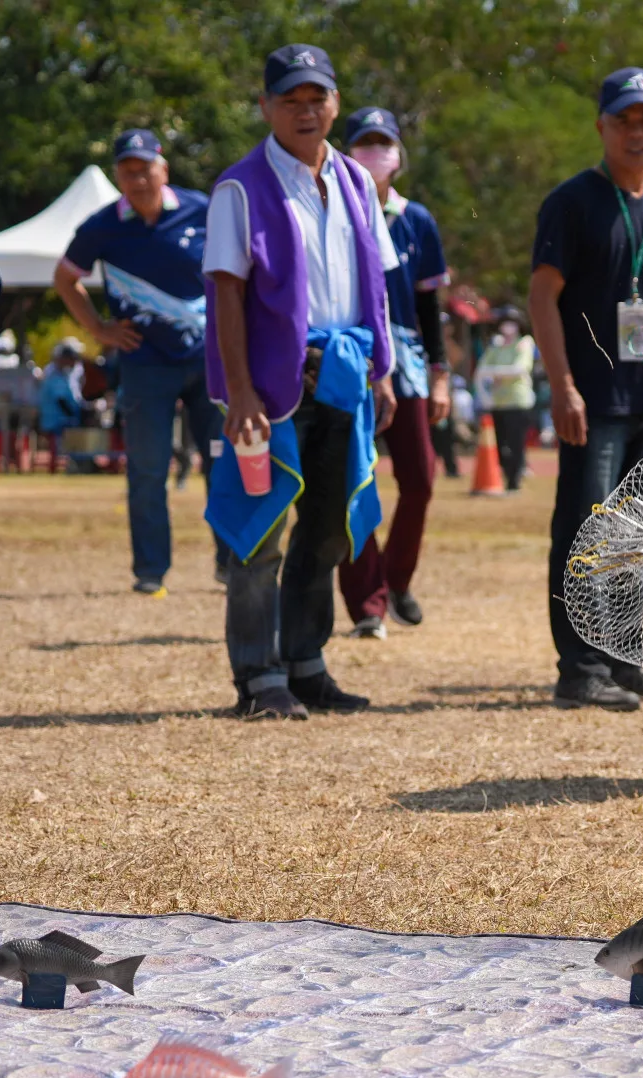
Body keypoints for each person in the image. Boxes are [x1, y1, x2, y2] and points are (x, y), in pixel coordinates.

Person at [203, 43, 399, 720]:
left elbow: (376, 285)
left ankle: (307, 663)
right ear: (266, 107)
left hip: (345, 375)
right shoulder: (240, 186)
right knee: (260, 531)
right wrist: (240, 391)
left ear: (335, 104)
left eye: (316, 98)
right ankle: (259, 676)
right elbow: (225, 292)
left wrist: (384, 372)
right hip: (272, 387)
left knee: (327, 528)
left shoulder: (355, 183)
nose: (305, 110)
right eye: (290, 99)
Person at [529, 67, 643, 711]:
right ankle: (579, 669)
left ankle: (622, 662)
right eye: (622, 119)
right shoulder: (571, 202)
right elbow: (542, 297)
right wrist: (562, 386)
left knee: (632, 538)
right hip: (592, 405)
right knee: (583, 533)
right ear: (601, 127)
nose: (635, 131)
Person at [55, 128, 228, 597]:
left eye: (145, 168)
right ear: (118, 176)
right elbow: (65, 278)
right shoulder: (102, 225)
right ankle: (150, 570)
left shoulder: (204, 209)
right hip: (144, 363)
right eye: (127, 171)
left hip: (211, 361)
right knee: (148, 470)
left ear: (163, 169)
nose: (137, 178)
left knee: (223, 464)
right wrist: (99, 330)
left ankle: (231, 564)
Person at [335, 105, 452, 640]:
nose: (375, 154)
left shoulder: (416, 220)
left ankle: (397, 580)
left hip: (404, 360)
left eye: (384, 144)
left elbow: (430, 306)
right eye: (365, 144)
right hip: (348, 358)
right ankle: (366, 604)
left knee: (421, 478)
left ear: (398, 157)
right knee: (352, 482)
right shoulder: (336, 208)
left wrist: (441, 372)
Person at [477, 305, 539, 492]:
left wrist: (495, 373)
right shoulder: (496, 345)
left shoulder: (525, 342)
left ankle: (514, 482)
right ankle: (506, 477)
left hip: (518, 402)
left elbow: (519, 369)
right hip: (498, 402)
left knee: (516, 444)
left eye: (511, 323)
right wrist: (499, 374)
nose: (508, 327)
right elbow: (481, 369)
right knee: (500, 445)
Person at [35, 337, 88, 467]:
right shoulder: (54, 375)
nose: (76, 360)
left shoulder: (66, 374)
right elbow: (62, 402)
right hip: (57, 421)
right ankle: (80, 462)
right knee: (84, 427)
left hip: (64, 419)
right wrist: (81, 413)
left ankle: (83, 462)